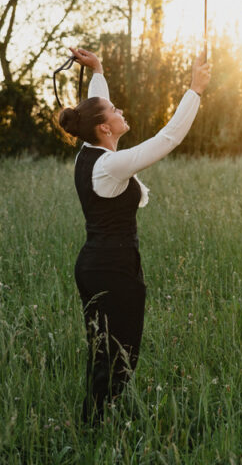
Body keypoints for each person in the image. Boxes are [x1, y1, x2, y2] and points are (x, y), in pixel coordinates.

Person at [57, 46, 211, 424]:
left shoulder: (90, 151)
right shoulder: (110, 165)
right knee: (116, 356)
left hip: (101, 265)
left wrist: (98, 69)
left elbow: (99, 104)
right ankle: (94, 427)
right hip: (112, 269)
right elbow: (168, 139)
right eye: (113, 112)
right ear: (105, 127)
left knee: (110, 354)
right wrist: (195, 91)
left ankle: (98, 422)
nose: (119, 109)